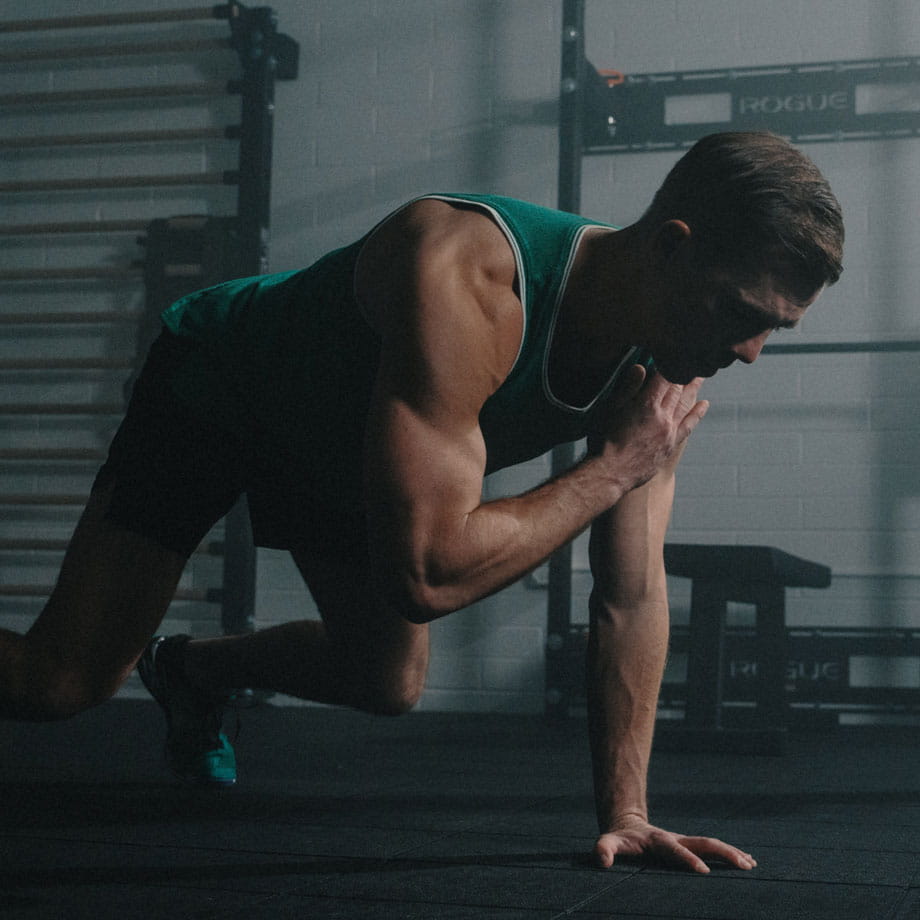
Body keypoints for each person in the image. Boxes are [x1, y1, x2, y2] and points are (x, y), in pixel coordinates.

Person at [0, 131, 843, 874]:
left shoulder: (666, 354)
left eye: (775, 328)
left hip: (342, 448)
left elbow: (631, 591)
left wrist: (626, 814)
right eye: (742, 313)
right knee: (58, 684)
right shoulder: (467, 271)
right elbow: (427, 576)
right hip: (224, 387)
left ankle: (185, 671)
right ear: (672, 247)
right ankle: (127, 667)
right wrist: (610, 471)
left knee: (385, 679)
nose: (751, 350)